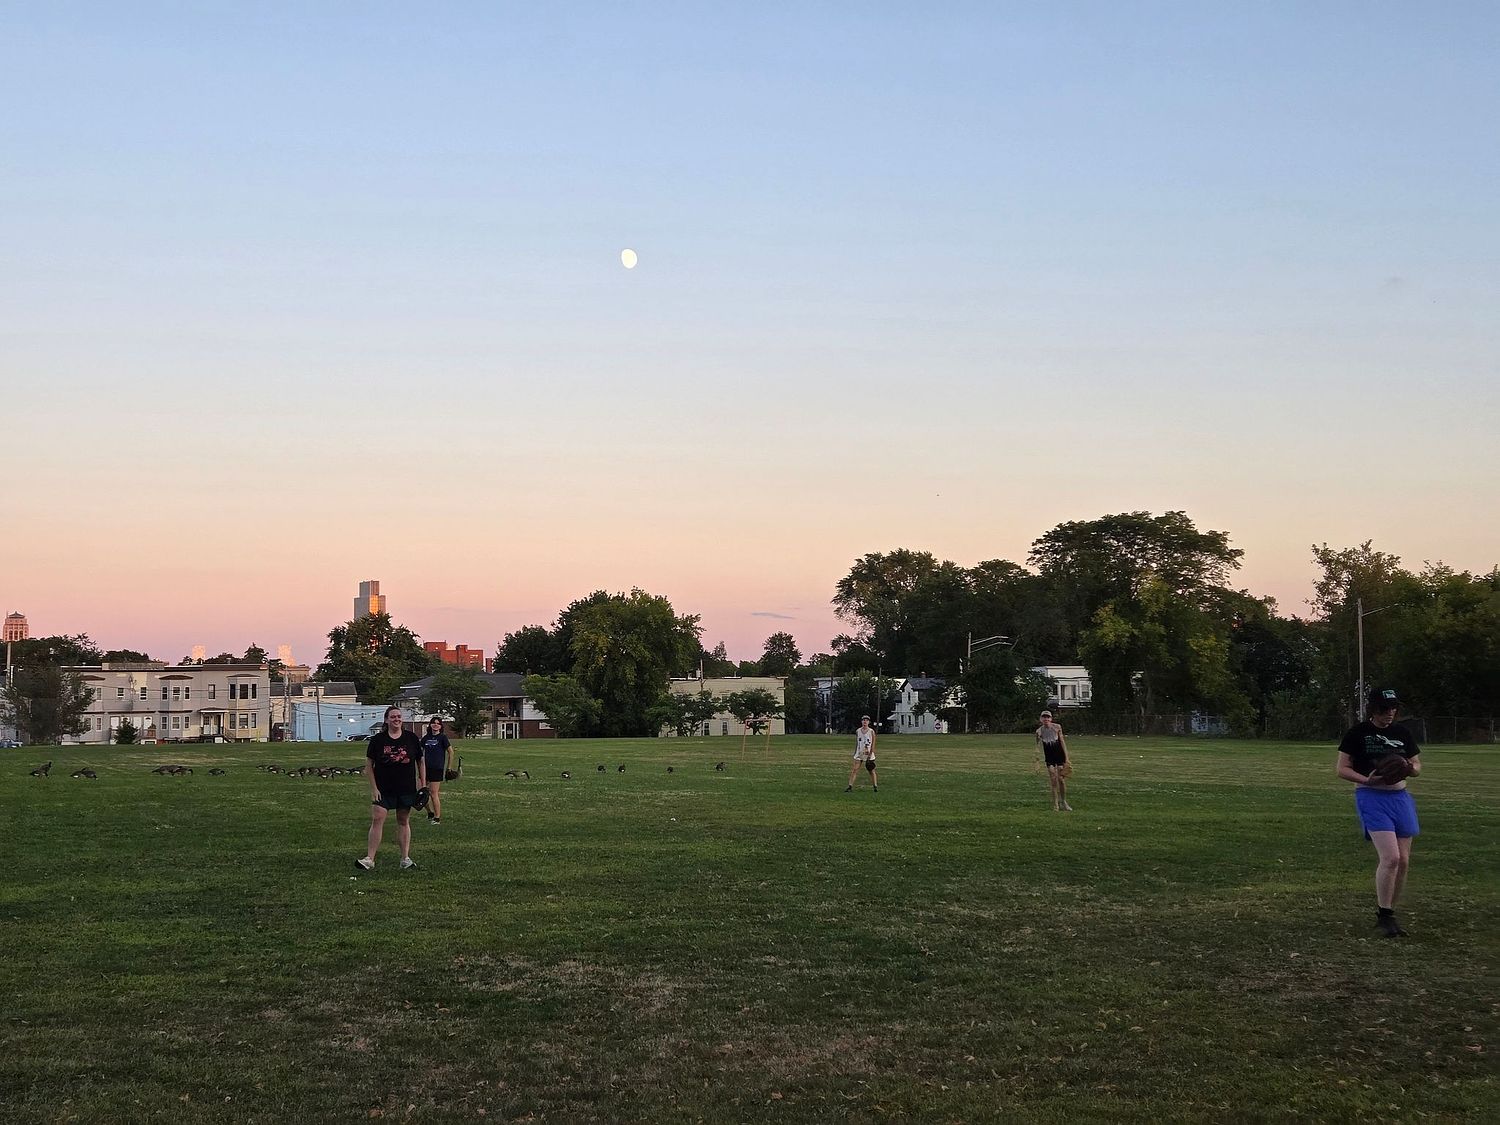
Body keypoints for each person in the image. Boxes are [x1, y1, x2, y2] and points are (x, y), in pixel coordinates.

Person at [1336, 686, 1422, 937]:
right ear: (1372, 709)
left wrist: (1408, 767)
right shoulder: (1358, 733)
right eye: (1385, 709)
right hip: (1371, 796)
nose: (1390, 713)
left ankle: (1390, 914)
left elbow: (1417, 765)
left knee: (1404, 861)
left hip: (1400, 798)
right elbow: (1341, 769)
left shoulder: (1401, 732)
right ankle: (1384, 915)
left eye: (1394, 708)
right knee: (1391, 857)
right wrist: (1367, 781)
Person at [356, 706, 426, 871]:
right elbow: (369, 765)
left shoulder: (411, 738)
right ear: (387, 720)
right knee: (378, 818)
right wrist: (374, 788)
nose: (396, 719)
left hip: (406, 787)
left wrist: (422, 783)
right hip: (383, 788)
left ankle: (405, 858)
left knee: (403, 820)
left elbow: (420, 761)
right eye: (393, 717)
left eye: (399, 716)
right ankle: (369, 859)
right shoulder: (378, 740)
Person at [419, 716, 453, 825]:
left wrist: (449, 768)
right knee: (420, 793)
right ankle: (430, 813)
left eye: (438, 723)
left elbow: (451, 752)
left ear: (440, 726)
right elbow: (419, 751)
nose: (435, 725)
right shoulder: (426, 738)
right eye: (433, 723)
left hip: (437, 768)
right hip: (425, 769)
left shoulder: (442, 738)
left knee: (433, 794)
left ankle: (437, 818)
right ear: (430, 725)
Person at [1036, 710, 1072, 811]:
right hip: (1049, 756)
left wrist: (1067, 758)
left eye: (1048, 717)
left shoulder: (1057, 727)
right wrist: (1037, 760)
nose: (1046, 719)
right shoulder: (1039, 731)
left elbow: (1062, 742)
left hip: (1059, 755)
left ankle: (1064, 802)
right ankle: (1055, 804)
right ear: (1041, 719)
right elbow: (1037, 746)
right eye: (1044, 717)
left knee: (1061, 779)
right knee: (1053, 779)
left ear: (1051, 719)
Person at [845, 715, 878, 793]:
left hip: (868, 753)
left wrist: (870, 754)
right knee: (855, 770)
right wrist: (855, 752)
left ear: (868, 722)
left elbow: (873, 743)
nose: (865, 722)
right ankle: (850, 786)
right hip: (859, 753)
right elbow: (857, 742)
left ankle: (875, 786)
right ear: (861, 721)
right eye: (863, 720)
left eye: (866, 720)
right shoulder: (858, 731)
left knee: (871, 770)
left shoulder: (871, 731)